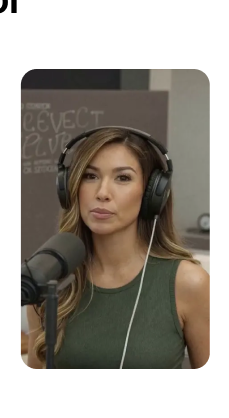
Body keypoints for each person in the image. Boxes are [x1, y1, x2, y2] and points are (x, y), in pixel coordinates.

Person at [26, 127, 210, 369]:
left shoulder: (188, 283)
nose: (102, 193)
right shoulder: (48, 276)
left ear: (152, 194)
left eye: (123, 178)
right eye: (90, 176)